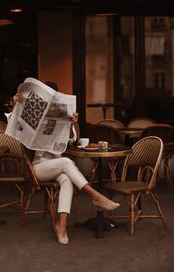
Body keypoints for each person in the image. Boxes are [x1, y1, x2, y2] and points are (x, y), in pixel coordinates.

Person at [13, 81, 120, 245]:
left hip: (57, 165)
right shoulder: (32, 112)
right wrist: (15, 103)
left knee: (67, 179)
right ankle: (95, 195)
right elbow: (15, 124)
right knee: (66, 162)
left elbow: (72, 140)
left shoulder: (59, 113)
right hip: (39, 167)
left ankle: (61, 226)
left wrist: (73, 123)